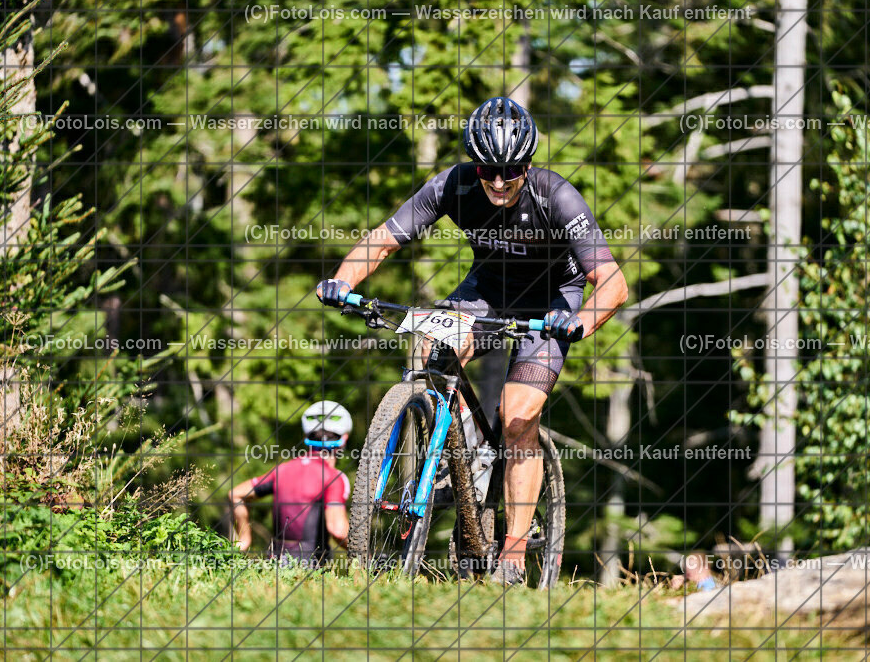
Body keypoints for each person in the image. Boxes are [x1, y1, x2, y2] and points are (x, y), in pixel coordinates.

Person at [317, 97, 628, 585]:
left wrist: (579, 322)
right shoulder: (455, 185)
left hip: (551, 303)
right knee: (428, 344)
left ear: (527, 163)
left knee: (518, 414)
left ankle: (514, 548)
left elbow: (613, 282)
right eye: (488, 170)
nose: (499, 182)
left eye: (511, 170)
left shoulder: (556, 195)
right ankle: (448, 450)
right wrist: (342, 282)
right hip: (487, 292)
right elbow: (383, 238)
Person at [229, 400, 351, 565]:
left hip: (274, 564)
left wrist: (244, 539)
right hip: (309, 570)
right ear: (344, 439)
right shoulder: (334, 477)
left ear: (306, 437)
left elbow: (235, 494)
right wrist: (367, 555)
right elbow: (337, 529)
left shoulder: (282, 470)